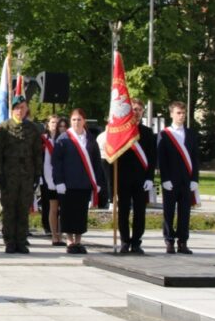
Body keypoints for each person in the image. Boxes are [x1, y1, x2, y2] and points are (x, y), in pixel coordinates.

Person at [52, 108, 106, 254]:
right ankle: (70, 241)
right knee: (68, 213)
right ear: (71, 121)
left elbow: (96, 163)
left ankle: (78, 241)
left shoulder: (90, 139)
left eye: (79, 119)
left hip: (84, 183)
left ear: (84, 121)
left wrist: (98, 182)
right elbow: (56, 162)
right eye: (74, 120)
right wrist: (59, 181)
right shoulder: (63, 138)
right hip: (67, 184)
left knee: (81, 213)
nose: (76, 122)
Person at [0, 96, 41, 253]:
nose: (20, 111)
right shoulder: (4, 128)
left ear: (26, 108)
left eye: (22, 107)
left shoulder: (33, 128)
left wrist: (37, 175)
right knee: (9, 209)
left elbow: (37, 154)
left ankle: (21, 240)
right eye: (17, 108)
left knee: (23, 208)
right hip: (9, 175)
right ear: (12, 109)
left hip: (27, 175)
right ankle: (9, 241)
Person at [157, 100, 200, 255]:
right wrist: (165, 179)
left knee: (185, 213)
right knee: (168, 212)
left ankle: (183, 242)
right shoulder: (165, 134)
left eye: (183, 113)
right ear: (171, 114)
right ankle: (169, 241)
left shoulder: (191, 134)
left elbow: (195, 158)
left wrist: (195, 179)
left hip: (187, 180)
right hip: (170, 180)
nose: (181, 116)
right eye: (178, 113)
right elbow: (162, 159)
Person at [115, 99, 156, 254]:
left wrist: (150, 178)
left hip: (141, 179)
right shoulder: (121, 132)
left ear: (142, 112)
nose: (136, 112)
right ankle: (125, 241)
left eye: (139, 109)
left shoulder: (147, 132)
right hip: (124, 178)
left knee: (140, 212)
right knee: (123, 211)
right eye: (134, 109)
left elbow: (152, 157)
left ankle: (137, 242)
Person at [40, 115, 65, 246]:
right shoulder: (43, 139)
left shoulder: (62, 139)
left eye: (57, 122)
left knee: (62, 209)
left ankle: (60, 234)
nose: (55, 125)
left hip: (61, 178)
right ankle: (53, 234)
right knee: (51, 207)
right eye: (52, 122)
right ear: (47, 124)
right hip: (47, 177)